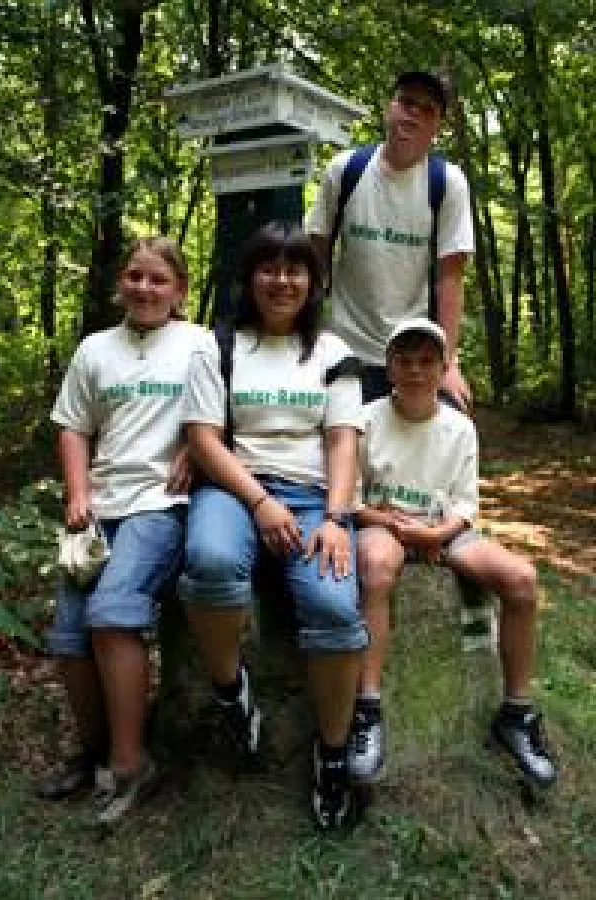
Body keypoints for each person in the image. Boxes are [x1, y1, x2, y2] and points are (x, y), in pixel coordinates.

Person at [179, 221, 368, 831]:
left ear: (313, 283)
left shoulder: (333, 354)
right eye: (269, 268)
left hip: (314, 498)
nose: (281, 281)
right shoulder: (221, 346)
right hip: (236, 489)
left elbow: (342, 443)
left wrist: (337, 518)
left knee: (336, 605)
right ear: (250, 277)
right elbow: (203, 440)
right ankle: (233, 694)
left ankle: (333, 754)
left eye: (295, 270)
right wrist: (260, 502)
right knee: (208, 561)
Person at [39, 237, 210, 825]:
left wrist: (197, 445)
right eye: (134, 277)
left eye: (158, 279)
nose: (144, 288)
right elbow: (72, 427)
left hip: (161, 503)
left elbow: (224, 413)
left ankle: (132, 765)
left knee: (113, 612)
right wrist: (79, 492)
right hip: (99, 508)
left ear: (180, 290)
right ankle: (91, 754)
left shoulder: (199, 343)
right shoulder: (94, 350)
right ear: (121, 283)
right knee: (67, 638)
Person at [349, 317, 557, 788]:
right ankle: (368, 708)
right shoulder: (364, 421)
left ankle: (517, 712)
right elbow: (351, 500)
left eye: (427, 362)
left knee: (522, 579)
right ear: (389, 367)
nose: (416, 371)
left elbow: (466, 504)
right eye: (404, 361)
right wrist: (392, 525)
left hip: (443, 528)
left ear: (444, 369)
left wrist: (438, 534)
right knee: (377, 566)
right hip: (385, 524)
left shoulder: (460, 428)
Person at [307, 69, 474, 409]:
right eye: (407, 102)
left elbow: (450, 276)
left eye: (427, 109)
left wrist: (449, 363)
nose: (413, 113)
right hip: (343, 348)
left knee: (447, 427)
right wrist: (305, 336)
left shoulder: (447, 183)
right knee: (341, 450)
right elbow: (315, 256)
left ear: (436, 126)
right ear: (389, 108)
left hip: (413, 354)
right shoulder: (345, 170)